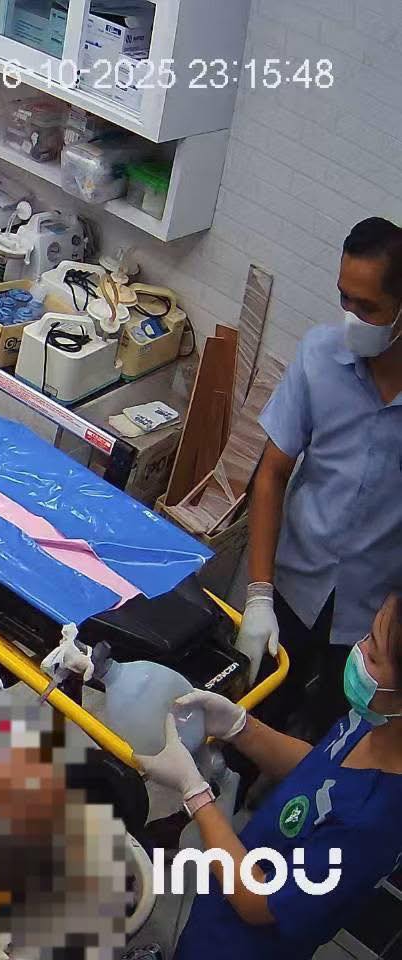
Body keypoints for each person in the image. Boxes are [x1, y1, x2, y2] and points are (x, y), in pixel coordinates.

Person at [139, 594, 402, 960]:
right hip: (221, 908)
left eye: (373, 654)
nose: (357, 650)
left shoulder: (371, 825)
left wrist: (195, 794)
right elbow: (321, 770)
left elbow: (257, 902)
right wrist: (242, 727)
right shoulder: (377, 725)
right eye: (367, 635)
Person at [244, 217, 402, 741]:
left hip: (372, 621)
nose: (352, 318)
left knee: (334, 738)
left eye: (369, 307)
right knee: (255, 713)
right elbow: (271, 474)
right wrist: (259, 596)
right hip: (295, 585)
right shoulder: (319, 357)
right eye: (344, 300)